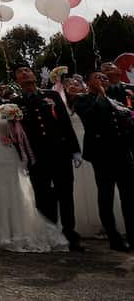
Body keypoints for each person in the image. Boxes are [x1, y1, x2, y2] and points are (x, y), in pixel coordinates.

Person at [0, 76, 67, 252]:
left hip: (8, 151)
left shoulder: (7, 108)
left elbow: (18, 129)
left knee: (14, 187)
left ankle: (17, 228)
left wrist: (12, 136)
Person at [14, 66, 83, 250]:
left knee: (65, 195)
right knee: (43, 197)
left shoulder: (51, 96)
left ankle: (70, 235)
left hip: (59, 152)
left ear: (34, 76)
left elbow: (65, 122)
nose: (25, 73)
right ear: (17, 80)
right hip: (36, 157)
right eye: (20, 73)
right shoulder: (15, 103)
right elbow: (15, 133)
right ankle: (51, 235)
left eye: (27, 70)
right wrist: (21, 156)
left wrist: (74, 149)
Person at [72, 70, 134, 251]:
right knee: (106, 197)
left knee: (129, 197)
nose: (103, 80)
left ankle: (132, 236)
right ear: (88, 82)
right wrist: (100, 94)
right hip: (102, 155)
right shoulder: (82, 99)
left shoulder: (116, 99)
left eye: (105, 78)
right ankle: (114, 238)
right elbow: (91, 117)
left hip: (122, 153)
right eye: (98, 77)